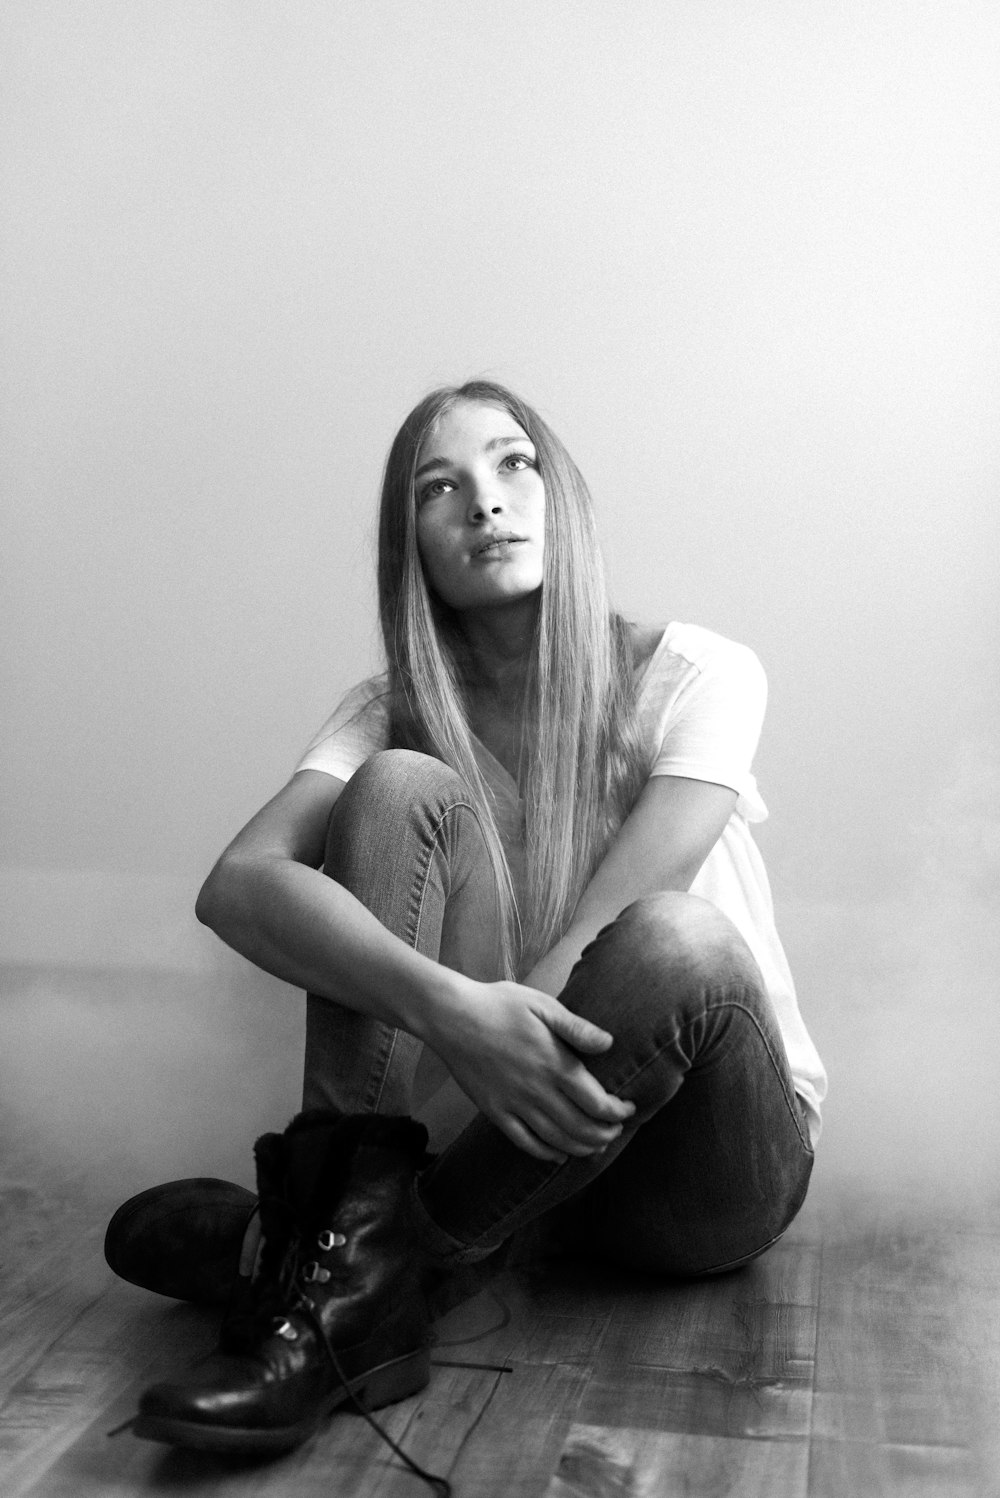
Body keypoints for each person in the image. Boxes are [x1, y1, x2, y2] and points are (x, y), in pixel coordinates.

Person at [106, 381, 826, 1471]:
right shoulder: (388, 703)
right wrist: (445, 1003)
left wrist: (454, 1055)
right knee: (393, 784)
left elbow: (601, 934)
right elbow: (238, 882)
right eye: (441, 488)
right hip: (517, 1156)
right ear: (412, 548)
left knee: (675, 942)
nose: (485, 503)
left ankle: (324, 1267)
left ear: (561, 498)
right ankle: (351, 1268)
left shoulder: (697, 673)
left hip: (699, 1166)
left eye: (512, 465)